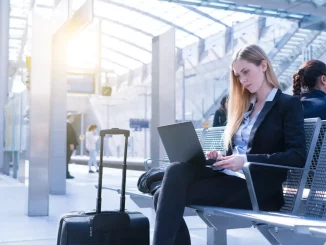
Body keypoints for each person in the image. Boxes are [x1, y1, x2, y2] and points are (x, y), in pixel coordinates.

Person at [152, 44, 306, 245]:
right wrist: (221, 157)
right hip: (229, 179)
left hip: (257, 190)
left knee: (162, 195)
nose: (242, 80)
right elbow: (237, 149)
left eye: (245, 72)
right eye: (238, 76)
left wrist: (245, 160)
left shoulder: (287, 105)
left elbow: (297, 156)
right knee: (176, 170)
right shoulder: (245, 108)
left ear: (263, 66)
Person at [66, 114, 78, 179]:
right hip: (68, 145)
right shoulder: (68, 124)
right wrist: (71, 144)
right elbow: (69, 135)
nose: (73, 119)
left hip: (67, 145)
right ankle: (66, 173)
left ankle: (66, 173)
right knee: (67, 159)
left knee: (66, 160)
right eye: (72, 118)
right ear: (69, 117)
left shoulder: (67, 124)